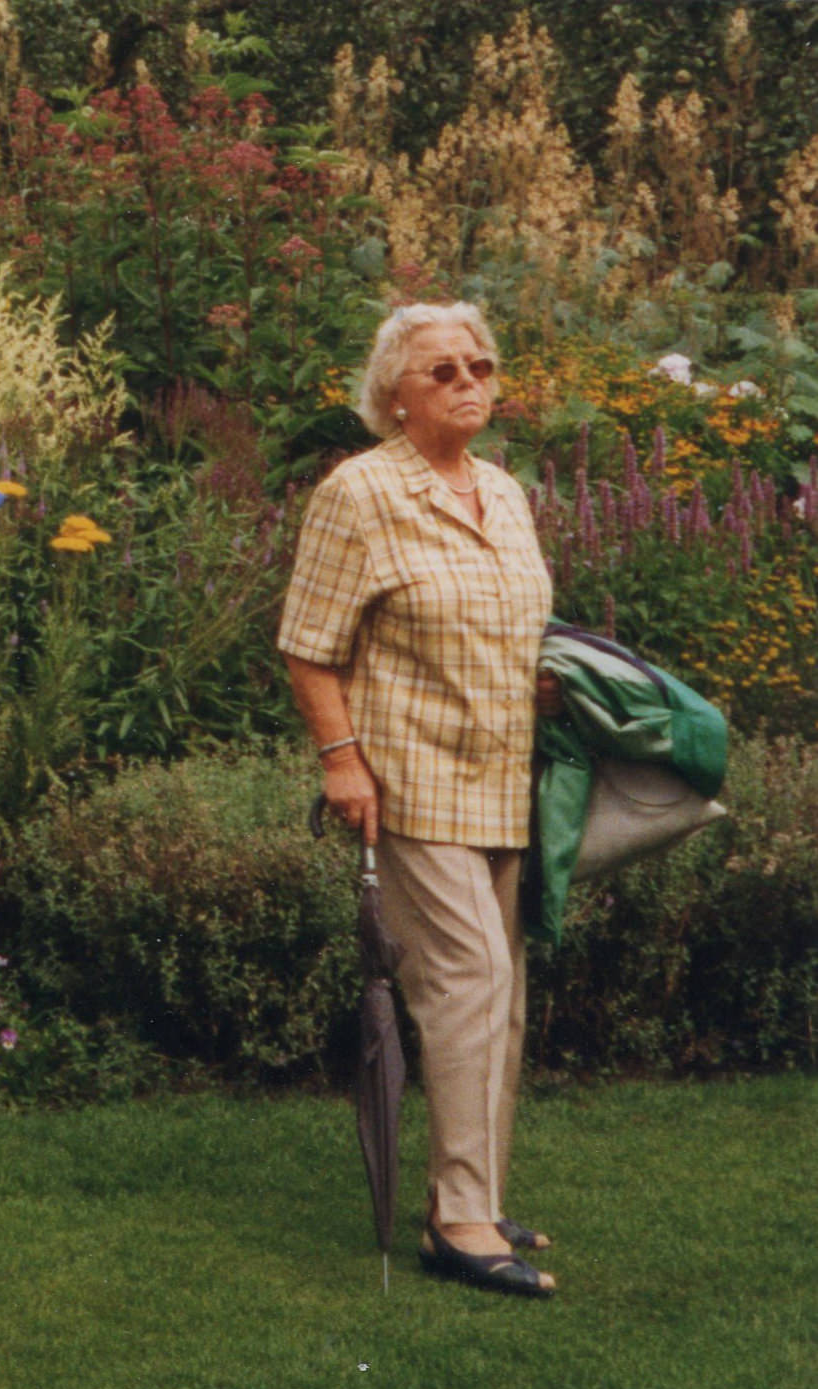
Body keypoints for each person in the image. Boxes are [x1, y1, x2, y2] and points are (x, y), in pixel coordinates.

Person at [277, 302, 561, 1298]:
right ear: (393, 394)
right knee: (465, 978)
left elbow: (513, 621)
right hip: (410, 778)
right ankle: (455, 1219)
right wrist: (340, 760)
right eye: (440, 370)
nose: (467, 380)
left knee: (503, 997)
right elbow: (307, 645)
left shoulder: (502, 492)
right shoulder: (356, 494)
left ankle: (471, 1188)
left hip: (504, 777)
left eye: (479, 363)